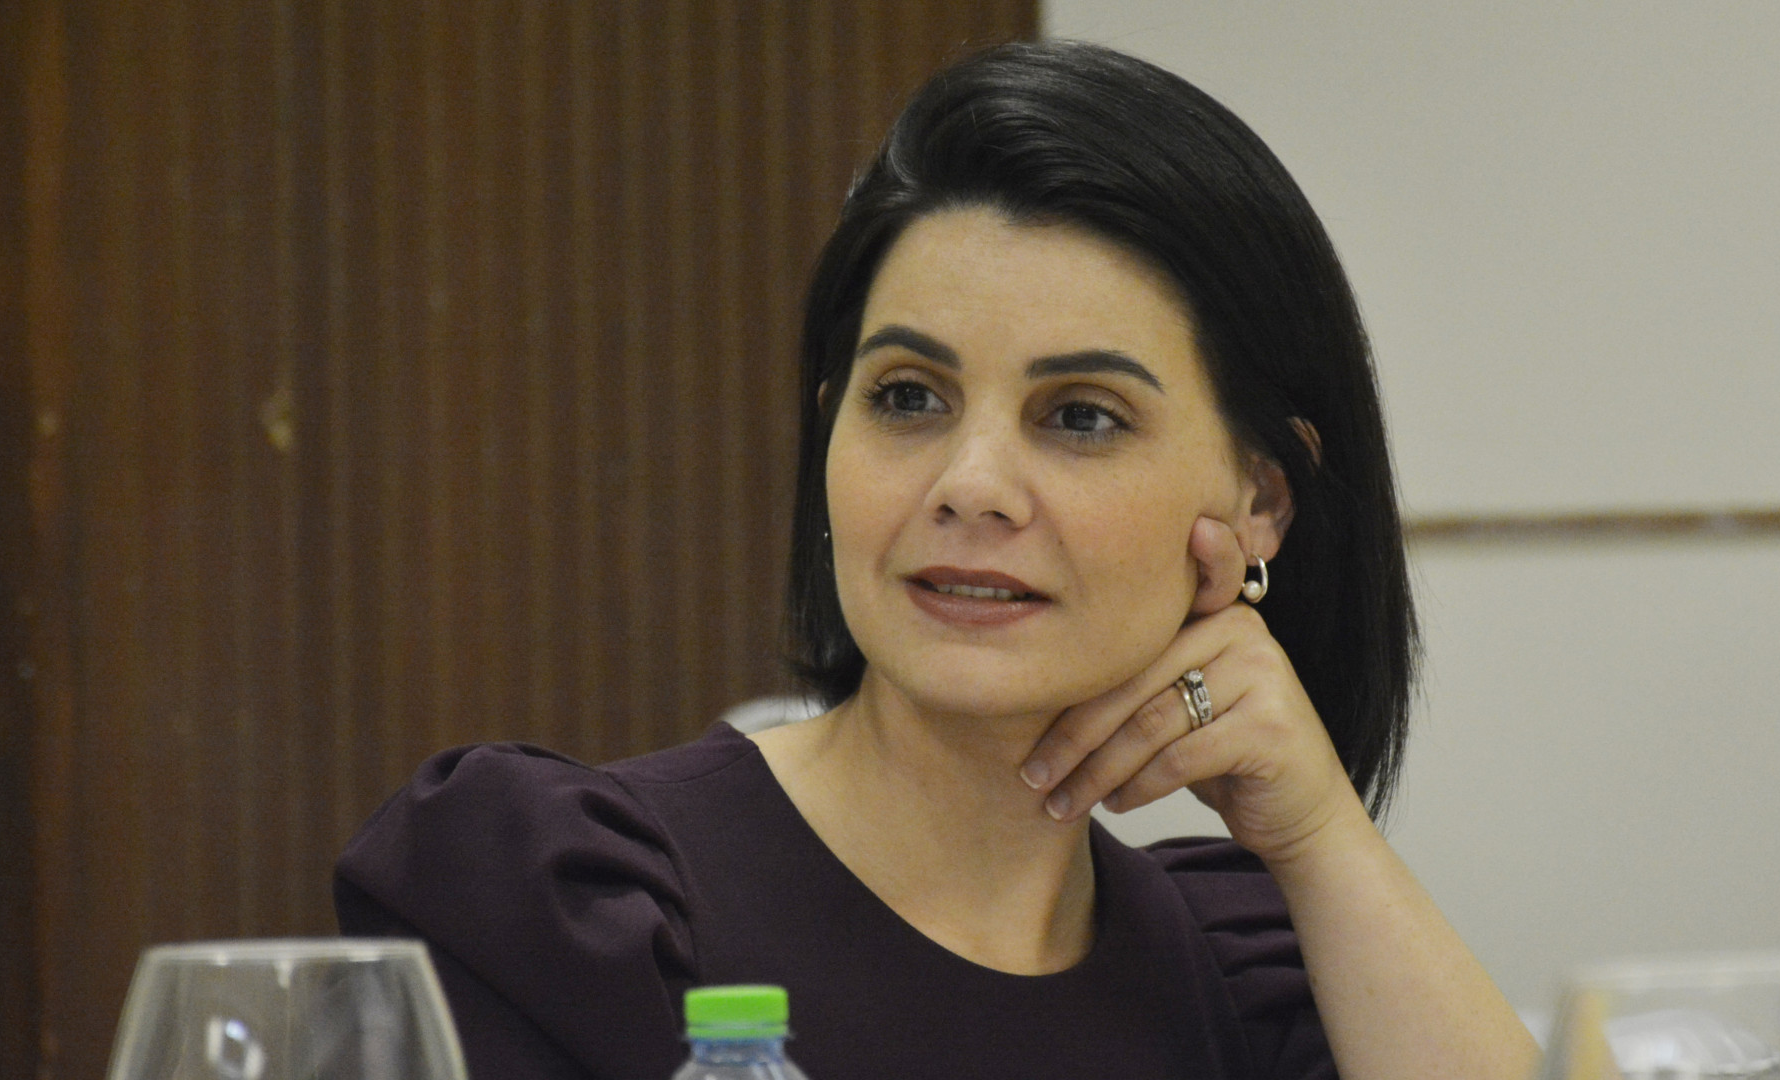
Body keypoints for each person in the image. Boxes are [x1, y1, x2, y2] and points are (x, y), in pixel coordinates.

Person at [335, 41, 1540, 1080]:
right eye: (908, 397)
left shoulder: (1242, 972)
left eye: (1080, 416)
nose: (970, 484)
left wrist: (1321, 836)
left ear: (1261, 500)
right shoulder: (571, 905)